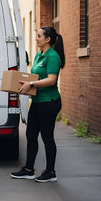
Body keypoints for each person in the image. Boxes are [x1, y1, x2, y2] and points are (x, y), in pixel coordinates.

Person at [10, 26, 65, 183]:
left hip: (49, 102)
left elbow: (51, 79)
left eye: (39, 35)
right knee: (30, 135)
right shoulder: (39, 56)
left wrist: (31, 84)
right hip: (37, 102)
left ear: (47, 39)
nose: (36, 38)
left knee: (47, 137)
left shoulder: (52, 56)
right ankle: (28, 170)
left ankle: (51, 172)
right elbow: (33, 76)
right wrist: (23, 85)